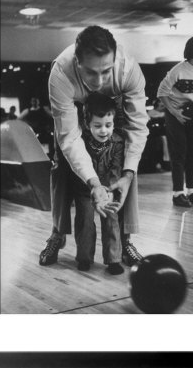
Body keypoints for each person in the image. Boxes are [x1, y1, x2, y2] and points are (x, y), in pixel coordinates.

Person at [39, 25, 149, 267]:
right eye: (91, 73)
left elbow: (138, 128)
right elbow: (69, 138)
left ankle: (125, 240)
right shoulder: (60, 73)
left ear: (115, 59)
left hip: (112, 108)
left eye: (106, 72)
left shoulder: (129, 70)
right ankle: (57, 234)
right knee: (61, 165)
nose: (98, 82)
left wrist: (128, 174)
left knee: (126, 167)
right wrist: (94, 183)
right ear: (77, 62)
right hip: (76, 109)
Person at [72, 93, 125, 275]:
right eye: (98, 126)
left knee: (111, 218)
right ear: (87, 125)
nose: (104, 131)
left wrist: (109, 190)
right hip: (85, 190)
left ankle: (113, 259)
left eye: (108, 125)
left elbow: (116, 169)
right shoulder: (80, 142)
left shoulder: (117, 142)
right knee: (85, 221)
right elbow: (78, 165)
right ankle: (84, 258)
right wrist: (92, 187)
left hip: (108, 189)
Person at [157, 36, 193, 208]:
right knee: (178, 153)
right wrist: (175, 113)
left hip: (191, 113)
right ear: (190, 51)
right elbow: (162, 93)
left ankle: (191, 192)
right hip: (174, 113)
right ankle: (177, 194)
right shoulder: (177, 70)